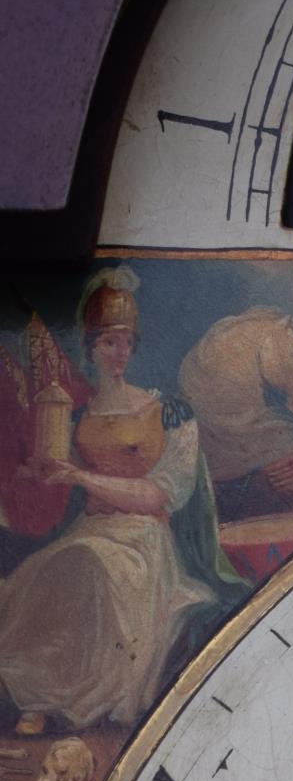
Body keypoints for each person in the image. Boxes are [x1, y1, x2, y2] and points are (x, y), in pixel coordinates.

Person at [1, 269, 246, 734]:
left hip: (141, 541)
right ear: (91, 347)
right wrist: (38, 473)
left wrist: (80, 476)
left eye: (127, 343)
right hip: (91, 530)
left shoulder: (167, 411)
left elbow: (161, 493)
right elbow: (58, 477)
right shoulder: (75, 412)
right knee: (41, 576)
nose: (121, 353)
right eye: (110, 343)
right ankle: (36, 696)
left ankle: (69, 701)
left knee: (91, 564)